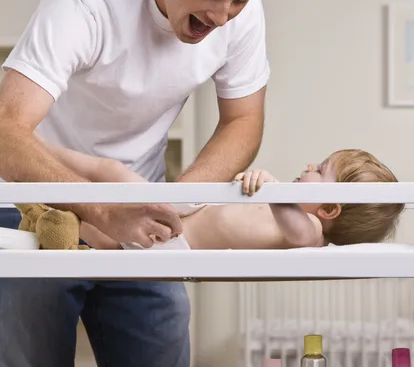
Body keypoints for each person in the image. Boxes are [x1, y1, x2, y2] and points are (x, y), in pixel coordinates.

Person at [0, 0, 278, 367]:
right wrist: (104, 209)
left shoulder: (241, 9)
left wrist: (174, 205)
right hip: (35, 209)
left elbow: (243, 122)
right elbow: (7, 131)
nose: (224, 16)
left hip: (139, 210)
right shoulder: (86, 1)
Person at [40, 140, 404, 250]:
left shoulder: (311, 233)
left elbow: (295, 230)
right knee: (111, 171)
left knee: (100, 237)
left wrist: (274, 190)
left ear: (328, 208)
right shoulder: (305, 215)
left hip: (175, 241)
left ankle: (41, 212)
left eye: (321, 170)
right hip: (188, 208)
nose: (310, 165)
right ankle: (42, 149)